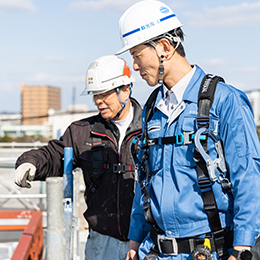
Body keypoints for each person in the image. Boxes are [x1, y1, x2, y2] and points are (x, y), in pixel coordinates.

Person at [116, 1, 260, 260]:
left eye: (137, 55)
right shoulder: (152, 109)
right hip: (158, 251)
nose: (134, 66)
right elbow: (144, 183)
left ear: (164, 48)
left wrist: (242, 248)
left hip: (211, 251)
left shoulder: (224, 101)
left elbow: (248, 177)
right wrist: (134, 240)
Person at [14, 55, 143, 260]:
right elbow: (54, 155)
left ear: (125, 90)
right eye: (95, 94)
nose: (98, 100)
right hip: (101, 243)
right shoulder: (82, 132)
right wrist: (30, 162)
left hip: (144, 240)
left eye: (104, 93)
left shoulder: (152, 128)